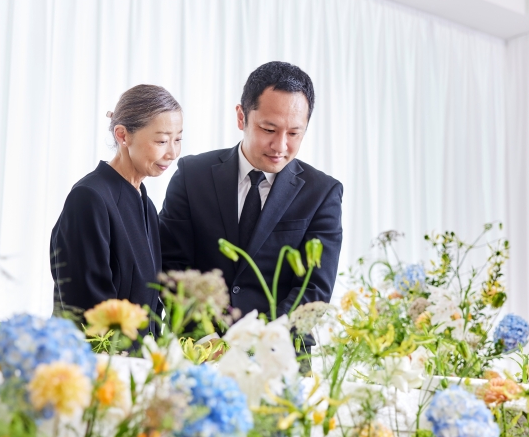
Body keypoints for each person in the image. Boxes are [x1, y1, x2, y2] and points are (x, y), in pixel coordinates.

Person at [159, 61, 343, 319]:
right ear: (241, 117)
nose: (280, 146)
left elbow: (314, 290)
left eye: (294, 133)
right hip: (200, 338)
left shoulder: (322, 193)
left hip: (282, 342)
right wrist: (207, 333)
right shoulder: (192, 175)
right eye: (269, 129)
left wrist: (261, 337)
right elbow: (170, 264)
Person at [51, 85, 183, 335]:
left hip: (138, 358)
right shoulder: (89, 198)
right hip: (99, 356)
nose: (172, 153)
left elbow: (151, 307)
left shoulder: (146, 204)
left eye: (178, 140)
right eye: (162, 141)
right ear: (122, 135)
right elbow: (87, 309)